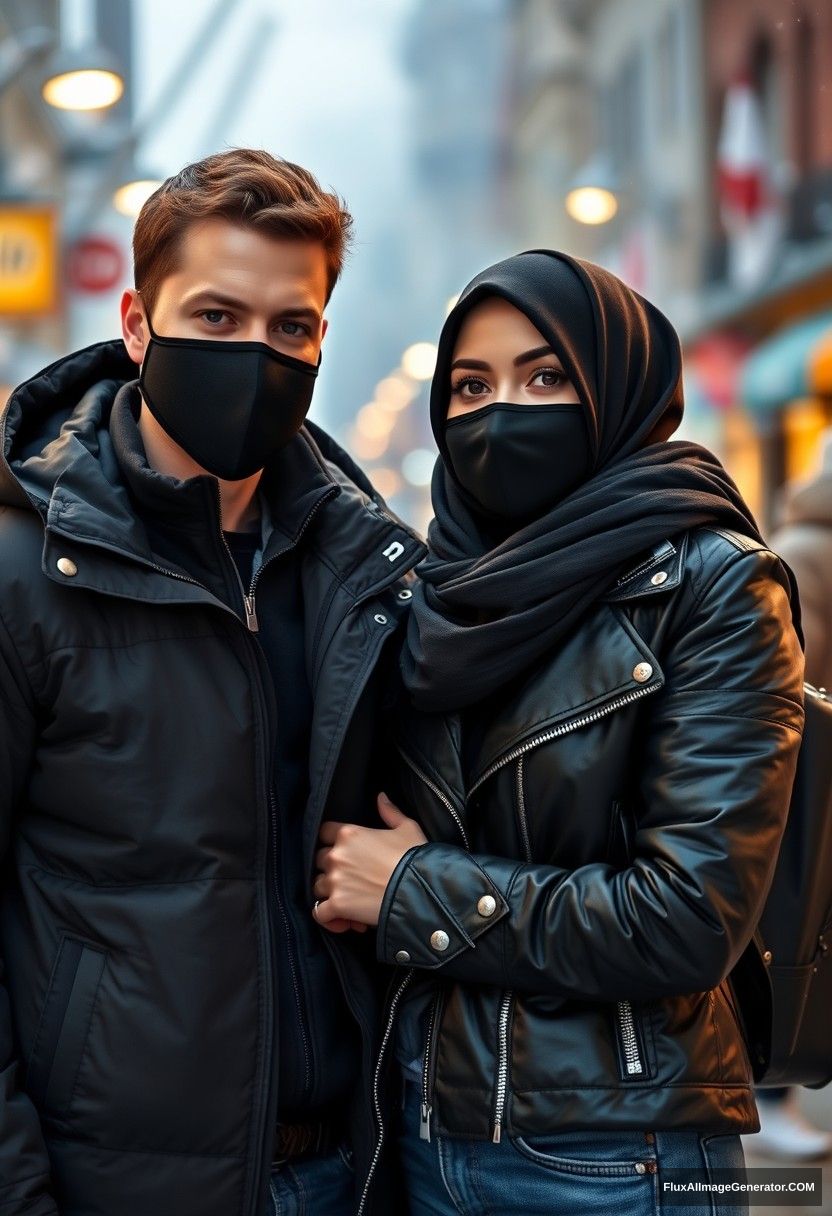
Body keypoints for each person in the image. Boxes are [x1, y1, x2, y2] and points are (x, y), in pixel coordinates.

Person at [312, 250, 805, 1214]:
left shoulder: (710, 584)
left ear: (617, 389)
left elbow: (689, 919)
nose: (502, 411)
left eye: (545, 377)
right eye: (470, 384)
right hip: (424, 1128)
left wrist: (415, 889)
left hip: (617, 1152)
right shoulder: (435, 593)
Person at [0, 150, 424, 1216]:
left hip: (343, 1168)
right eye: (217, 317)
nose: (256, 353)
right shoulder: (23, 567)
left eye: (292, 328)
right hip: (114, 1179)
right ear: (138, 325)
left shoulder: (362, 567)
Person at [750, 428, 832, 1162]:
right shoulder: (807, 555)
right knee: (791, 934)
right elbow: (794, 689)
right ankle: (771, 1092)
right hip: (804, 783)